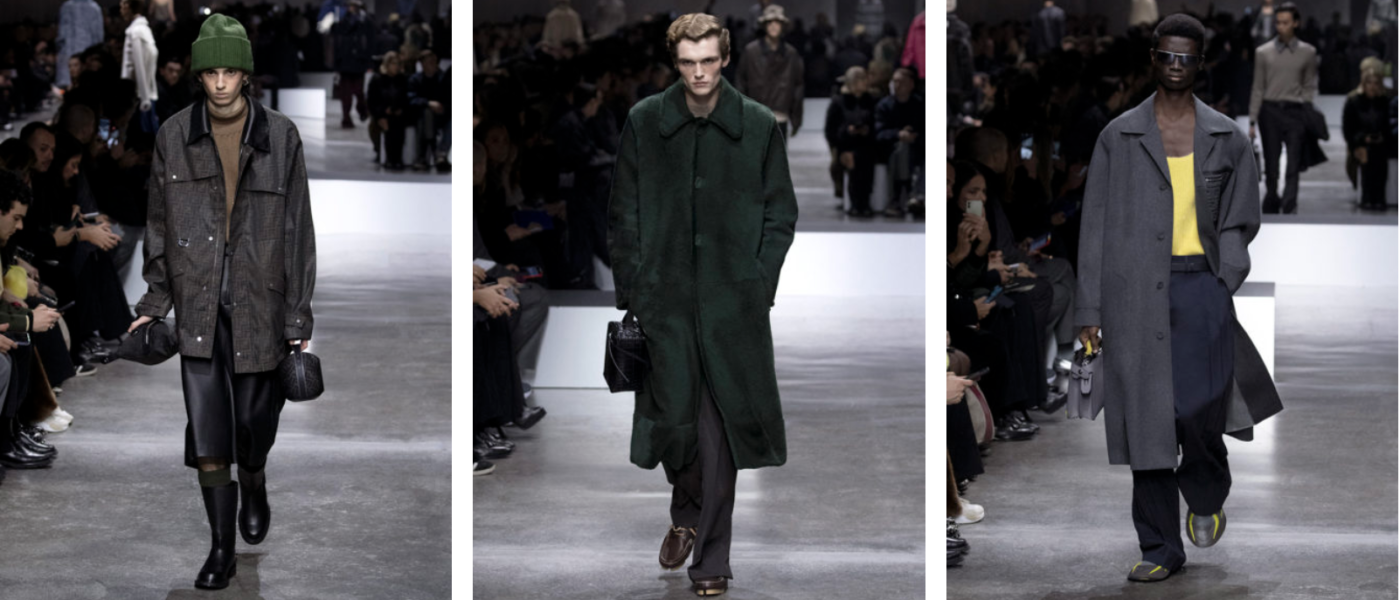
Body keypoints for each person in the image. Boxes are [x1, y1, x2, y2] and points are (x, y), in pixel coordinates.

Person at [1076, 13, 1283, 583]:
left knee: (1199, 412)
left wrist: (1226, 275)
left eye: (1185, 58)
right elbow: (1093, 227)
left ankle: (1207, 490)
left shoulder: (1226, 137)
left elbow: (1242, 216)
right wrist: (1089, 309)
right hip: (1133, 293)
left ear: (1200, 64)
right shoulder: (1118, 136)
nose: (1175, 65)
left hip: (1200, 286)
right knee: (1148, 424)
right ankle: (1159, 546)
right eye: (1166, 55)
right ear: (1153, 58)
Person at [607, 12, 797, 597]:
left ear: (725, 58)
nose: (699, 73)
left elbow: (780, 213)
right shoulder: (645, 121)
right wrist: (634, 287)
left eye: (708, 60)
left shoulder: (757, 125)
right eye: (688, 63)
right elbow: (623, 211)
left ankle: (712, 560)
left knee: (719, 435)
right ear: (675, 62)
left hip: (731, 309)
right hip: (662, 303)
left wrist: (757, 284)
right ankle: (686, 511)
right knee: (674, 427)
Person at [130, 14, 316, 590]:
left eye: (229, 72)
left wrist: (297, 312)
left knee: (252, 429)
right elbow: (158, 224)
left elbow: (297, 228)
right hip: (198, 298)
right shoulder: (173, 136)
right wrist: (156, 299)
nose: (219, 83)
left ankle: (254, 478)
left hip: (261, 298)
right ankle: (220, 548)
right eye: (210, 72)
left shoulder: (281, 136)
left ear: (246, 74)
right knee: (208, 431)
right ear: (197, 75)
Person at [1249, 2, 1317, 214]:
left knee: (1294, 161)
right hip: (1269, 111)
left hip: (1295, 111)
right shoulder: (1263, 52)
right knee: (1271, 161)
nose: (1281, 27)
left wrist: (1306, 105)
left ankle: (1289, 202)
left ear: (1296, 23)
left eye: (1285, 22)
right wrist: (1252, 120)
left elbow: (1309, 84)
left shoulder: (1308, 52)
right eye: (1278, 23)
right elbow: (1258, 86)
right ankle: (1271, 198)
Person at [736, 4, 804, 139]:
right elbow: (740, 83)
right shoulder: (751, 52)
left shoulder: (791, 54)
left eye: (777, 22)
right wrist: (741, 115)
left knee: (777, 152)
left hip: (780, 115)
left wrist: (796, 119)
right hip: (755, 114)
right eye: (769, 22)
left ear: (783, 26)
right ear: (764, 25)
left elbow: (798, 86)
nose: (773, 26)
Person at [1342, 68, 1392, 211]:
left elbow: (1389, 125)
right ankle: (1367, 198)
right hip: (1360, 144)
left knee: (1380, 170)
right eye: (1369, 83)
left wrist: (1383, 137)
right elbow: (1348, 128)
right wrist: (1361, 139)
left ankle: (1379, 199)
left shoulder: (1385, 102)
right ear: (1363, 84)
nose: (1372, 86)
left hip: (1381, 145)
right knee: (1366, 166)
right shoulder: (1354, 102)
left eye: (1376, 83)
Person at [332, 0, 374, 128]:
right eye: (349, 5)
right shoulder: (341, 21)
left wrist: (368, 61)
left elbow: (370, 42)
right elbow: (336, 42)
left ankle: (362, 110)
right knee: (346, 94)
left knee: (359, 92)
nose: (350, 7)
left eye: (353, 5)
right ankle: (346, 118)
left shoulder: (365, 21)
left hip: (359, 61)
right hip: (345, 62)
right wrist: (336, 63)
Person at [120, 0, 159, 134]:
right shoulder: (144, 30)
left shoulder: (135, 32)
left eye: (122, 6)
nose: (121, 11)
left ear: (128, 7)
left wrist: (144, 98)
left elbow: (139, 66)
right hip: (144, 94)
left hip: (138, 96)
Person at [368, 51, 410, 171]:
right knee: (385, 125)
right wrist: (381, 114)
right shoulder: (377, 79)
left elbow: (406, 98)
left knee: (398, 125)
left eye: (398, 64)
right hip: (381, 114)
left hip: (399, 113)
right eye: (393, 63)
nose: (396, 66)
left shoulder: (402, 79)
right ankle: (387, 157)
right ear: (387, 64)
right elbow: (372, 101)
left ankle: (397, 158)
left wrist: (400, 109)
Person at [56, 0, 104, 89]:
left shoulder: (93, 8)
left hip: (82, 55)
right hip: (74, 54)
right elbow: (99, 38)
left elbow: (98, 38)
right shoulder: (67, 7)